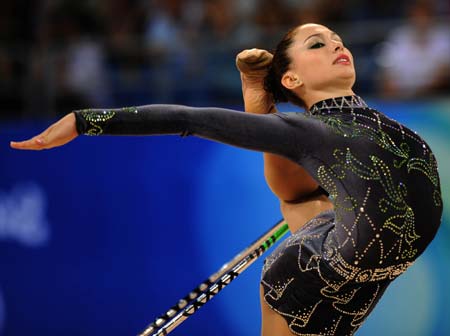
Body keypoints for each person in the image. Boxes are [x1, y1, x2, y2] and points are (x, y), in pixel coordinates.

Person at [11, 23, 442, 335]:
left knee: (306, 204)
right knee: (302, 201)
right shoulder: (314, 131)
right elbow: (187, 119)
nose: (336, 45)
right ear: (291, 78)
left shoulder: (385, 126)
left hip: (371, 265)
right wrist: (84, 120)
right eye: (318, 44)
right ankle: (259, 107)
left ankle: (262, 110)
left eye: (338, 40)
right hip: (322, 267)